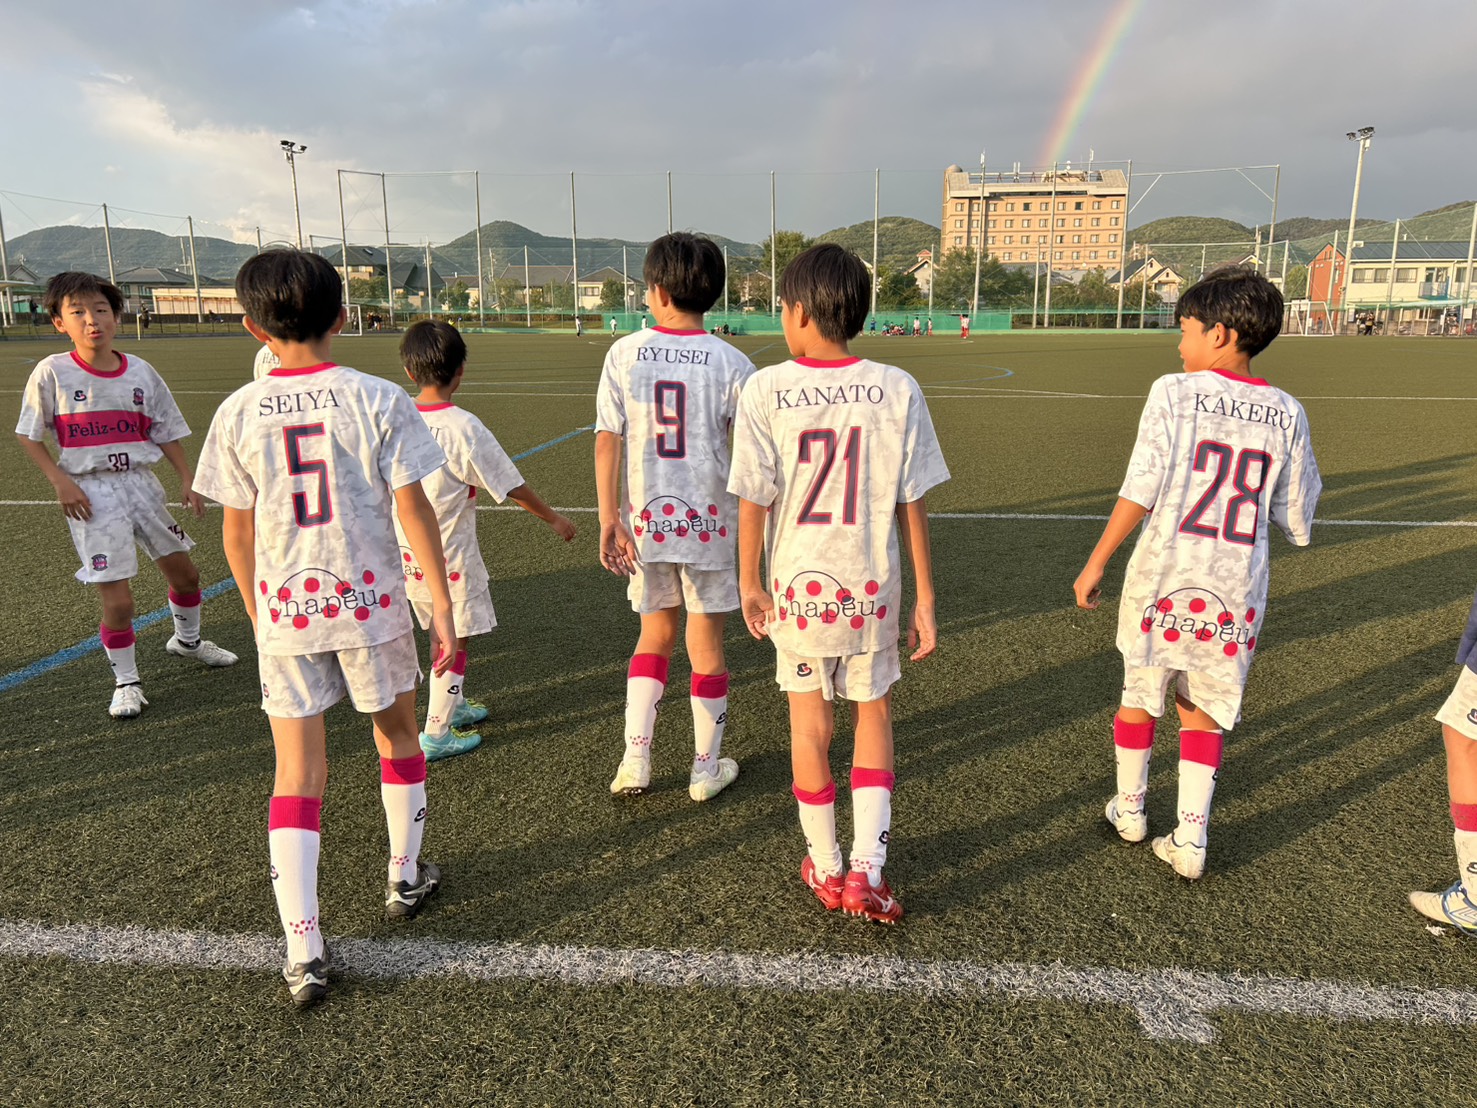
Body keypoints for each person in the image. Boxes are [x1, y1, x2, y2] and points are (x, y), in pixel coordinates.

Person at [194, 250, 454, 1008]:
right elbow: (414, 509)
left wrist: (258, 612)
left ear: (252, 328)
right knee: (397, 734)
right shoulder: (379, 397)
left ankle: (302, 947)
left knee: (297, 774)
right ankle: (404, 877)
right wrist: (440, 605)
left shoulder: (238, 410)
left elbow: (236, 533)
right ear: (343, 317)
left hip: (286, 613)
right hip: (372, 607)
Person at [1073, 265, 1321, 880]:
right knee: (1202, 706)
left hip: (1162, 575)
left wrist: (1097, 560)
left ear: (1218, 334)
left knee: (1140, 693)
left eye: (1184, 330)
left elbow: (1142, 485)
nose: (1178, 344)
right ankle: (1191, 838)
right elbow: (1296, 516)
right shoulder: (1288, 411)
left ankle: (1131, 810)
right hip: (1235, 586)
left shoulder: (1174, 392)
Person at [729, 244, 949, 924]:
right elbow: (912, 501)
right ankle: (867, 872)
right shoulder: (896, 386)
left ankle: (825, 866)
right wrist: (926, 598)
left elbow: (753, 498)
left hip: (798, 589)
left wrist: (748, 582)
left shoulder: (765, 388)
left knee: (809, 724)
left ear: (798, 311)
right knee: (872, 715)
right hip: (871, 590)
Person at [15, 272, 238, 721]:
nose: (92, 320)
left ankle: (188, 642)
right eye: (78, 312)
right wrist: (60, 481)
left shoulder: (140, 371)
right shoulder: (52, 372)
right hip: (91, 493)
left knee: (187, 576)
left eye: (101, 310)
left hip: (142, 485)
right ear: (59, 322)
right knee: (119, 602)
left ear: (116, 316)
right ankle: (127, 683)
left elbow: (165, 429)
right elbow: (28, 434)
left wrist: (187, 478)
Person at [595, 232, 755, 802]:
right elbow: (750, 455)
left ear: (657, 291)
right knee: (705, 642)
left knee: (654, 633)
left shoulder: (624, 352)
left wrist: (609, 516)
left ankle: (635, 759)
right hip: (712, 524)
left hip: (646, 522)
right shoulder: (734, 362)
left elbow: (607, 438)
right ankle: (704, 769)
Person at [393, 320, 576, 761]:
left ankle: (451, 704)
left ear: (409, 371)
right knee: (454, 640)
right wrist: (554, 518)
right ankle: (437, 731)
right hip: (451, 558)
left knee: (438, 632)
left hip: (404, 555)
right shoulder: (463, 427)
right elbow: (509, 484)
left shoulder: (396, 418)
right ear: (461, 370)